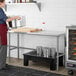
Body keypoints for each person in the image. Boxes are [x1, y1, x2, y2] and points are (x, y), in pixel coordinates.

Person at [0, 0, 21, 69]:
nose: (5, 3)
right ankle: (2, 65)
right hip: (1, 30)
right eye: (4, 2)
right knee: (3, 47)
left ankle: (2, 63)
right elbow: (6, 20)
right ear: (0, 2)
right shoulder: (0, 10)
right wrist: (15, 17)